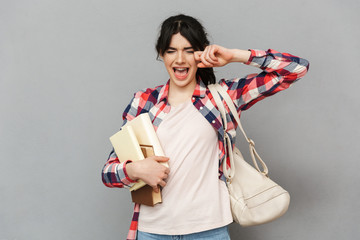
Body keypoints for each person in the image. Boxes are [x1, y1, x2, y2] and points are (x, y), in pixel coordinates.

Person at [102, 14, 309, 240]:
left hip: (208, 230)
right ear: (161, 54)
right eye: (171, 51)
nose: (180, 59)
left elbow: (295, 69)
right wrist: (135, 170)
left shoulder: (222, 98)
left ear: (201, 53)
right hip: (152, 231)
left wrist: (234, 56)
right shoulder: (144, 102)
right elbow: (108, 172)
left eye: (189, 50)